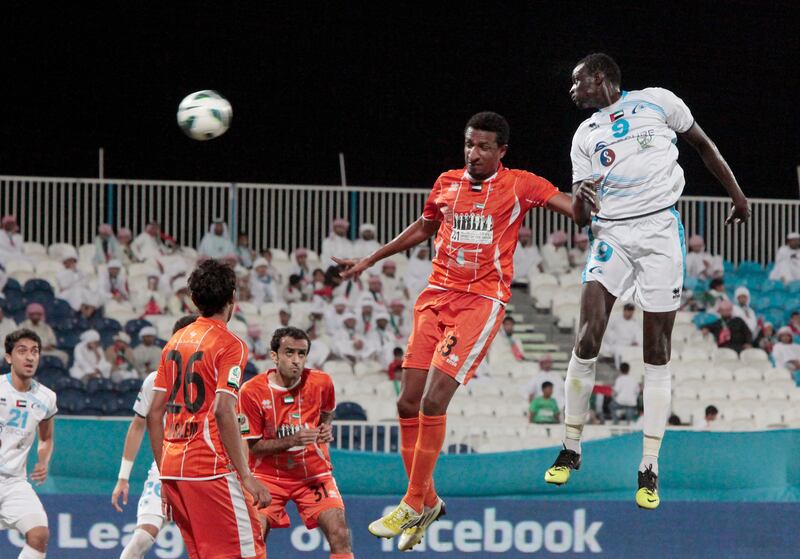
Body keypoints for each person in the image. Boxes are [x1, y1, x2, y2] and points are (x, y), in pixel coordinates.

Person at [335, 111, 574, 546]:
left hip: (480, 302)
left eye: (484, 147)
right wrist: (371, 258)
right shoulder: (447, 182)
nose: (473, 153)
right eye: (469, 144)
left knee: (433, 399)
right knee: (407, 402)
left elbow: (575, 210)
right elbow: (425, 226)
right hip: (435, 296)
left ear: (502, 151)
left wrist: (598, 199)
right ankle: (428, 503)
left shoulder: (521, 184)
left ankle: (410, 503)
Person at [545, 53, 750, 511]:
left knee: (656, 350)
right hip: (611, 233)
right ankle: (570, 446)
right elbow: (581, 216)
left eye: (578, 82)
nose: (572, 91)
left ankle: (649, 465)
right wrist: (580, 199)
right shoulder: (585, 135)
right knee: (586, 336)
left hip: (660, 231)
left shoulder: (658, 102)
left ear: (601, 78)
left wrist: (737, 193)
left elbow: (703, 144)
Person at [147, 259, 270, 558]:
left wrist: (164, 476)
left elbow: (154, 413)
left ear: (194, 299)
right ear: (232, 299)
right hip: (211, 468)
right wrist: (246, 475)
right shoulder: (231, 344)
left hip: (174, 471)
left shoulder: (174, 342)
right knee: (249, 552)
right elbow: (222, 410)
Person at [239, 327, 354, 559]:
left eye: (301, 354)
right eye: (289, 353)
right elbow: (253, 446)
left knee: (340, 534)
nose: (296, 360)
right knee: (254, 538)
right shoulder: (251, 391)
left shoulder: (322, 382)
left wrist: (324, 429)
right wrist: (294, 440)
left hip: (313, 474)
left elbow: (327, 411)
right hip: (267, 477)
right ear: (274, 356)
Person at [111, 315, 197, 559]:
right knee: (142, 538)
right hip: (165, 468)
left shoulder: (214, 380)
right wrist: (123, 478)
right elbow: (138, 425)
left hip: (203, 470)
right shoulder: (155, 380)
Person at [0, 329, 57, 559]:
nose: (30, 357)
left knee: (39, 534)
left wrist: (43, 460)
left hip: (14, 482)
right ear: (9, 357)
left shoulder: (46, 398)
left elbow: (46, 438)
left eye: (35, 351)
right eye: (22, 351)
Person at [600, 303, 643, 369]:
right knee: (619, 352)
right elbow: (607, 330)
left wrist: (636, 342)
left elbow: (638, 334)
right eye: (628, 311)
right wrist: (612, 339)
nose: (630, 313)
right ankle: (620, 370)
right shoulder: (616, 319)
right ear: (624, 311)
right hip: (616, 344)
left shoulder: (635, 322)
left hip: (629, 346)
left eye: (631, 311)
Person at [56, 246, 90, 311]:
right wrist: (71, 272)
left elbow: (85, 283)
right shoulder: (60, 273)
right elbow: (65, 285)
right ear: (64, 263)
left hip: (81, 293)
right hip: (66, 295)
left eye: (73, 261)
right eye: (69, 261)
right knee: (76, 292)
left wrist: (76, 274)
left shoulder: (81, 272)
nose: (72, 263)